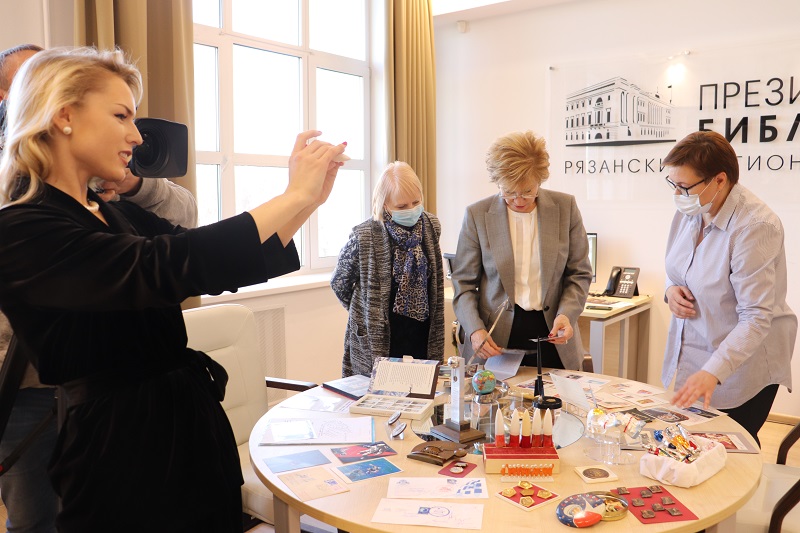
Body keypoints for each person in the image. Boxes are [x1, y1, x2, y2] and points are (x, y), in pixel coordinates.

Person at [0, 47, 344, 532]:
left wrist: (307, 203)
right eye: (120, 115)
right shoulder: (23, 227)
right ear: (64, 116)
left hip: (188, 423)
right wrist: (292, 195)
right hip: (121, 446)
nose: (136, 136)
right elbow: (163, 266)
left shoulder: (112, 211)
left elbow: (204, 262)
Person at [0, 44, 197, 533]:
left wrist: (128, 185)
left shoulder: (95, 186)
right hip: (23, 381)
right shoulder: (20, 206)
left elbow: (183, 226)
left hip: (107, 380)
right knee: (35, 514)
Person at [662, 130, 796, 445]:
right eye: (673, 184)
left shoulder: (755, 226)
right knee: (691, 444)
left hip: (743, 363)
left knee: (734, 447)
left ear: (719, 180)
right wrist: (670, 291)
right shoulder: (691, 209)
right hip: (695, 349)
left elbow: (756, 317)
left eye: (684, 186)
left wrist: (714, 371)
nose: (678, 194)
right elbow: (678, 269)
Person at [451, 130, 592, 370]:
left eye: (527, 191)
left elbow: (579, 274)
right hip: (493, 338)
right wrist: (474, 329)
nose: (518, 200)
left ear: (540, 179)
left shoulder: (565, 208)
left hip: (553, 335)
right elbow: (463, 283)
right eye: (508, 192)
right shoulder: (477, 215)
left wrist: (567, 314)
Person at [331, 161, 444, 377]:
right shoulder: (363, 236)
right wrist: (365, 311)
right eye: (401, 206)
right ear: (384, 205)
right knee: (376, 394)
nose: (411, 210)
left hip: (422, 336)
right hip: (379, 340)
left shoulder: (431, 226)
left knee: (422, 392)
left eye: (416, 202)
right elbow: (339, 283)